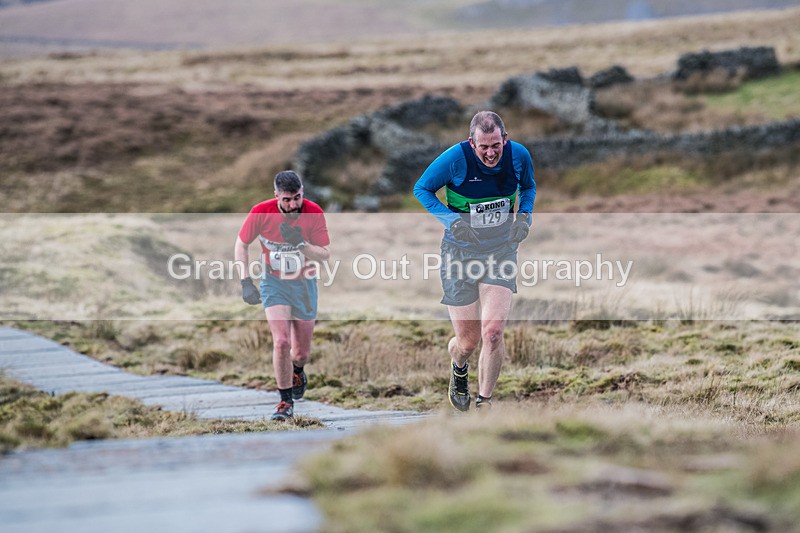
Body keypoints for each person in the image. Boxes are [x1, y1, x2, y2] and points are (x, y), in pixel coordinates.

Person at [413, 111, 536, 412]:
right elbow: (421, 189)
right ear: (472, 143)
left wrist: (524, 216)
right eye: (484, 147)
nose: (491, 153)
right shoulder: (455, 159)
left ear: (505, 139)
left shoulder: (519, 155)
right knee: (467, 342)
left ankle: (485, 404)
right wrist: (453, 222)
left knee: (492, 333)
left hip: (501, 251)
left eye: (496, 145)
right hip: (460, 253)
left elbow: (528, 187)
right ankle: (458, 367)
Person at [234, 170, 330, 421]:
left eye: (297, 198)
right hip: (273, 283)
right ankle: (285, 402)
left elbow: (324, 254)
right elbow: (241, 244)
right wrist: (246, 281)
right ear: (276, 195)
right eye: (286, 200)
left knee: (300, 354)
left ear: (302, 192)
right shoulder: (261, 212)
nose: (293, 205)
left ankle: (297, 370)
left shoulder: (313, 212)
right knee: (281, 342)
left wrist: (300, 244)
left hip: (304, 285)